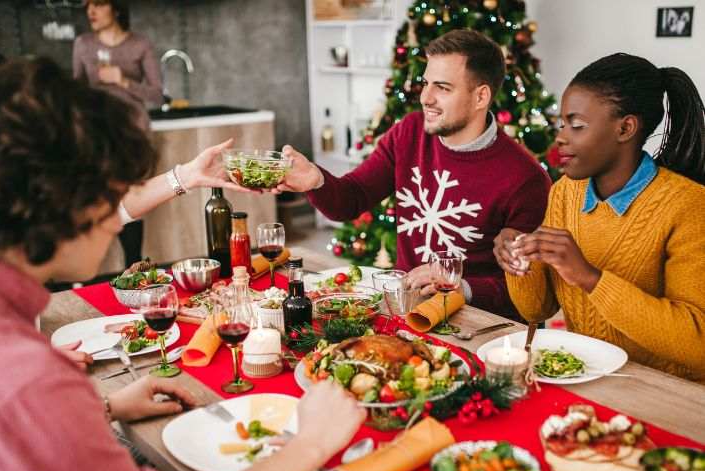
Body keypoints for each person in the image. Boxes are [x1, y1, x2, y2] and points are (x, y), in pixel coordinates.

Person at [0, 57, 366, 471]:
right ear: (57, 202)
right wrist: (311, 443)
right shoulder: (20, 376)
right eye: (109, 195)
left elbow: (10, 440)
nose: (118, 219)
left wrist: (102, 406)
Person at [277, 29, 551, 319]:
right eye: (426, 83)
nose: (426, 97)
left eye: (443, 88)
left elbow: (532, 295)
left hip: (479, 323)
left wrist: (461, 287)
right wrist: (316, 180)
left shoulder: (526, 180)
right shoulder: (409, 132)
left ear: (481, 96)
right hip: (409, 309)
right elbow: (351, 199)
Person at [494, 53, 705, 383]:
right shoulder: (565, 192)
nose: (560, 137)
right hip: (586, 381)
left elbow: (698, 343)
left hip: (664, 395)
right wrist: (522, 263)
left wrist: (590, 278)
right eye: (561, 123)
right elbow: (536, 310)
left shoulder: (689, 205)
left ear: (625, 128)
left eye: (576, 125)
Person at [73, 0, 164, 267]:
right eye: (87, 5)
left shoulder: (140, 45)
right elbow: (75, 90)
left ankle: (132, 266)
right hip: (98, 132)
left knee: (128, 198)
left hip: (133, 134)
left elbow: (158, 95)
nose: (90, 11)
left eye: (98, 3)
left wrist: (122, 81)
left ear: (116, 8)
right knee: (99, 199)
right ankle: (82, 270)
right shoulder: (83, 44)